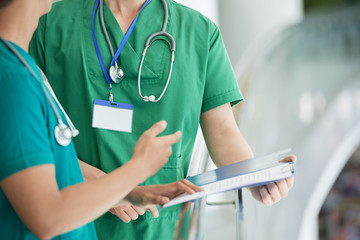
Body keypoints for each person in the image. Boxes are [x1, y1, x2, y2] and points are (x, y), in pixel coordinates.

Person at [29, 0, 297, 239]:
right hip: (77, 219)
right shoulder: (50, 22)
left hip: (166, 228)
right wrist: (105, 188)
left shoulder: (199, 33)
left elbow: (223, 132)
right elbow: (29, 132)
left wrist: (253, 176)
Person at [0, 0, 203, 239]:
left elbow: (51, 173)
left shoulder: (21, 68)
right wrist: (139, 168)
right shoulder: (11, 82)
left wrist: (129, 192)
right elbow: (47, 216)